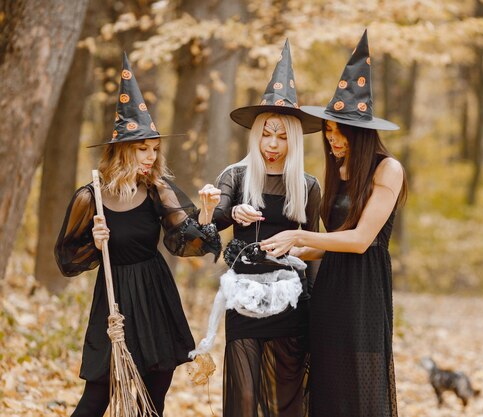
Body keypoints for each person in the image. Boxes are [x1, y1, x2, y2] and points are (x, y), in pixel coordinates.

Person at [54, 53, 222, 417]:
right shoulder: (91, 197)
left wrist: (206, 214)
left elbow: (183, 241)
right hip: (114, 305)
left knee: (153, 397)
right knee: (97, 396)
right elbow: (67, 259)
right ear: (121, 150)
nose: (150, 156)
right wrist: (95, 244)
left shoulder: (157, 190)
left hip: (155, 296)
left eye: (154, 149)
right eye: (142, 149)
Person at [259, 30, 407, 417]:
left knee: (361, 382)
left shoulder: (387, 169)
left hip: (364, 293)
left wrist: (300, 233)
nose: (332, 140)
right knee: (328, 384)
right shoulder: (339, 170)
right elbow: (331, 242)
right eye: (328, 132)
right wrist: (290, 250)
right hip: (329, 291)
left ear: (362, 134)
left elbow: (359, 240)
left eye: (340, 133)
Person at [210, 40, 321, 417]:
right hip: (243, 300)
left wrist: (319, 307)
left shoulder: (307, 186)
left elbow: (317, 247)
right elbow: (214, 221)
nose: (272, 144)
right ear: (255, 134)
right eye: (266, 134)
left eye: (282, 136)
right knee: (243, 399)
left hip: (291, 301)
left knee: (284, 403)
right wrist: (228, 211)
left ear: (294, 139)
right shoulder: (235, 176)